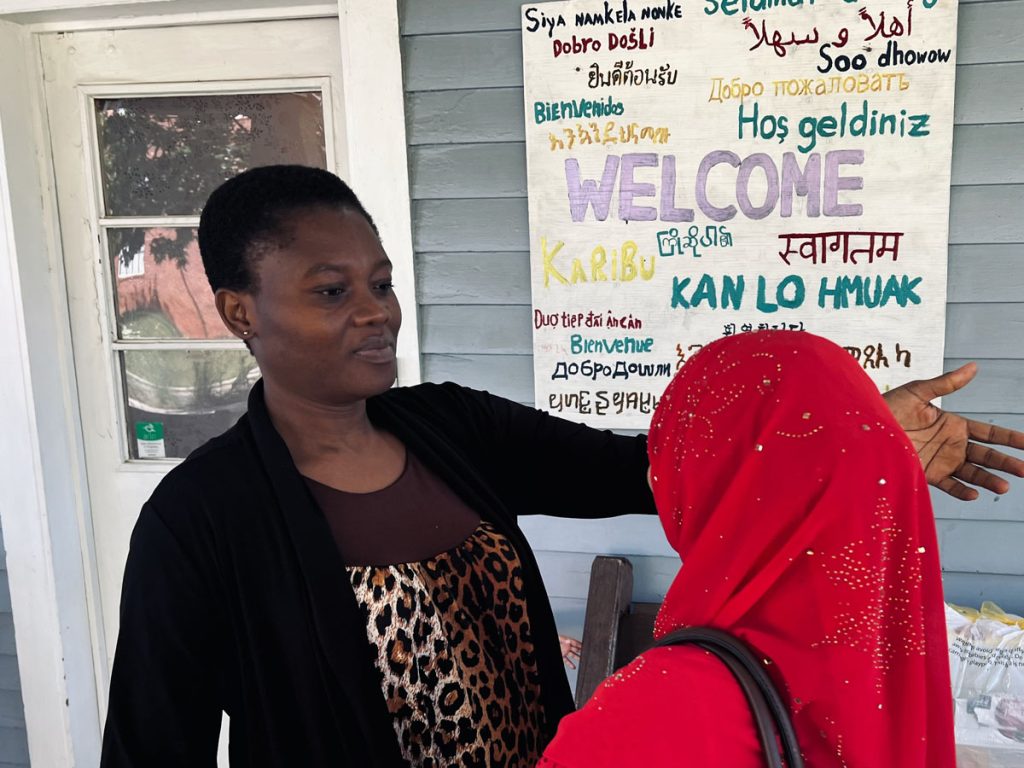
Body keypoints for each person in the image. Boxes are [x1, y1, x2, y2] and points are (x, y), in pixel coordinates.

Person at [99, 165, 1019, 768]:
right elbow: (153, 744)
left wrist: (850, 448)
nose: (376, 311)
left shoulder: (451, 430)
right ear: (238, 311)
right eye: (331, 291)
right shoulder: (202, 518)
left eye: (381, 283)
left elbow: (661, 473)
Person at [538, 331, 957, 768]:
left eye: (674, 450)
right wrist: (849, 442)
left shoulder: (657, 711)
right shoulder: (894, 678)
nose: (655, 477)